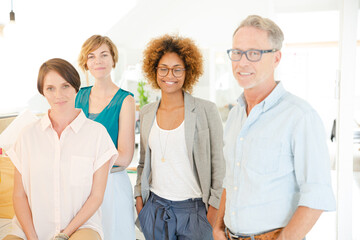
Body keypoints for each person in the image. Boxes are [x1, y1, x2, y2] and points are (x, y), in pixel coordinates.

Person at [213, 15, 336, 240]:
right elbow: (230, 181)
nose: (242, 62)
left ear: (276, 58)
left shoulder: (300, 116)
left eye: (254, 53)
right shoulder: (235, 115)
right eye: (237, 52)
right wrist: (217, 227)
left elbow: (317, 195)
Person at [3, 58, 118, 240]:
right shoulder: (27, 136)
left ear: (75, 87)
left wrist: (64, 234)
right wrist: (33, 237)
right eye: (50, 88)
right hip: (30, 227)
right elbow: (19, 195)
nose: (59, 95)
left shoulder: (97, 135)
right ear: (42, 92)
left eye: (65, 86)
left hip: (80, 226)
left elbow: (96, 196)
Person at [134, 34, 225, 240]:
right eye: (163, 68)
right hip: (156, 208)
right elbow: (142, 162)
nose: (170, 75)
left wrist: (213, 212)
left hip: (195, 212)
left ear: (187, 72)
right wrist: (139, 199)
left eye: (177, 69)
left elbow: (219, 165)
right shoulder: (148, 112)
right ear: (154, 71)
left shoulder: (206, 110)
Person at [75, 35, 136, 240]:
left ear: (113, 60)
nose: (98, 61)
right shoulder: (77, 96)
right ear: (86, 63)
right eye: (91, 56)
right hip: (82, 185)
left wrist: (85, 158)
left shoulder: (125, 100)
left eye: (104, 55)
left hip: (113, 185)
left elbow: (125, 157)